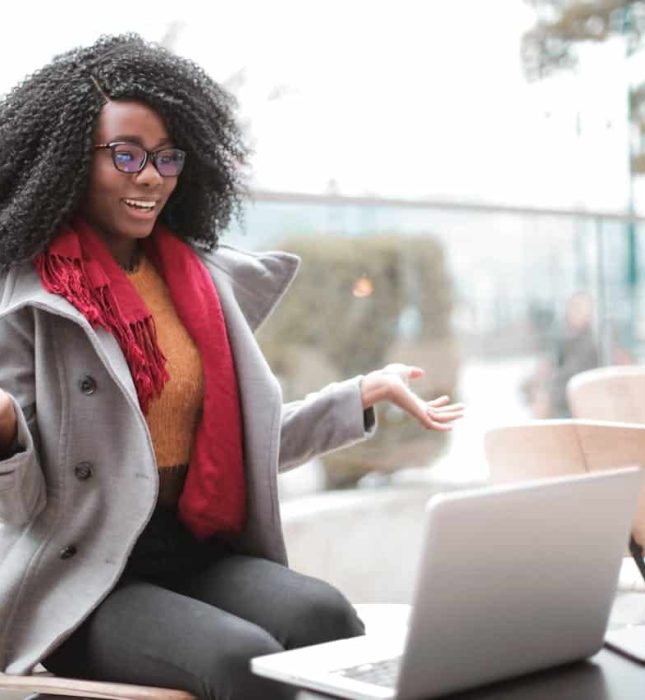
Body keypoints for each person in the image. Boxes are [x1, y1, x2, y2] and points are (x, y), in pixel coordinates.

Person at [0, 34, 463, 699]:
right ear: (69, 161)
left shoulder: (196, 283)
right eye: (124, 155)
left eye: (165, 157)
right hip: (86, 573)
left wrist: (359, 395)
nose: (150, 176)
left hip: (190, 547)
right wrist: (7, 431)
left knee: (324, 617)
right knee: (241, 660)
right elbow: (23, 510)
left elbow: (236, 449)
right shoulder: (27, 301)